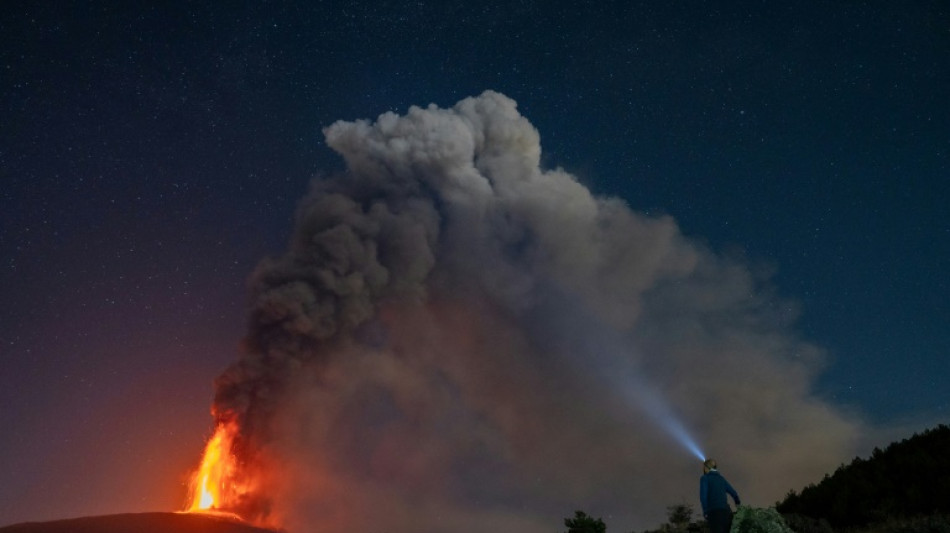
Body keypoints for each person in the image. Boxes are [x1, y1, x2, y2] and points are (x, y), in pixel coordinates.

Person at [700, 458, 741, 533]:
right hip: (726, 513)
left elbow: (703, 496)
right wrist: (737, 502)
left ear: (706, 468)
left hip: (714, 512)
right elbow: (733, 492)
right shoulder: (721, 479)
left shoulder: (705, 478)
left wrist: (705, 511)